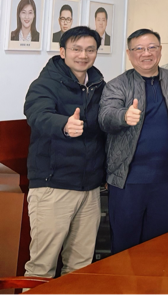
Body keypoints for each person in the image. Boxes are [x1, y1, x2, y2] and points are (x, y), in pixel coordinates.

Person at [23, 26, 104, 278]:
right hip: (53, 186)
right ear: (62, 52)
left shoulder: (99, 85)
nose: (83, 55)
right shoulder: (44, 84)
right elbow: (37, 114)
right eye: (76, 49)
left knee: (80, 267)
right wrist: (64, 125)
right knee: (41, 268)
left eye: (90, 50)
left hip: (89, 188)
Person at [99, 29, 168, 254]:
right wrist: (123, 116)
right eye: (139, 49)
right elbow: (105, 117)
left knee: (160, 247)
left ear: (160, 50)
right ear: (129, 54)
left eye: (151, 47)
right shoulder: (117, 85)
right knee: (124, 249)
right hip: (127, 180)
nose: (146, 53)